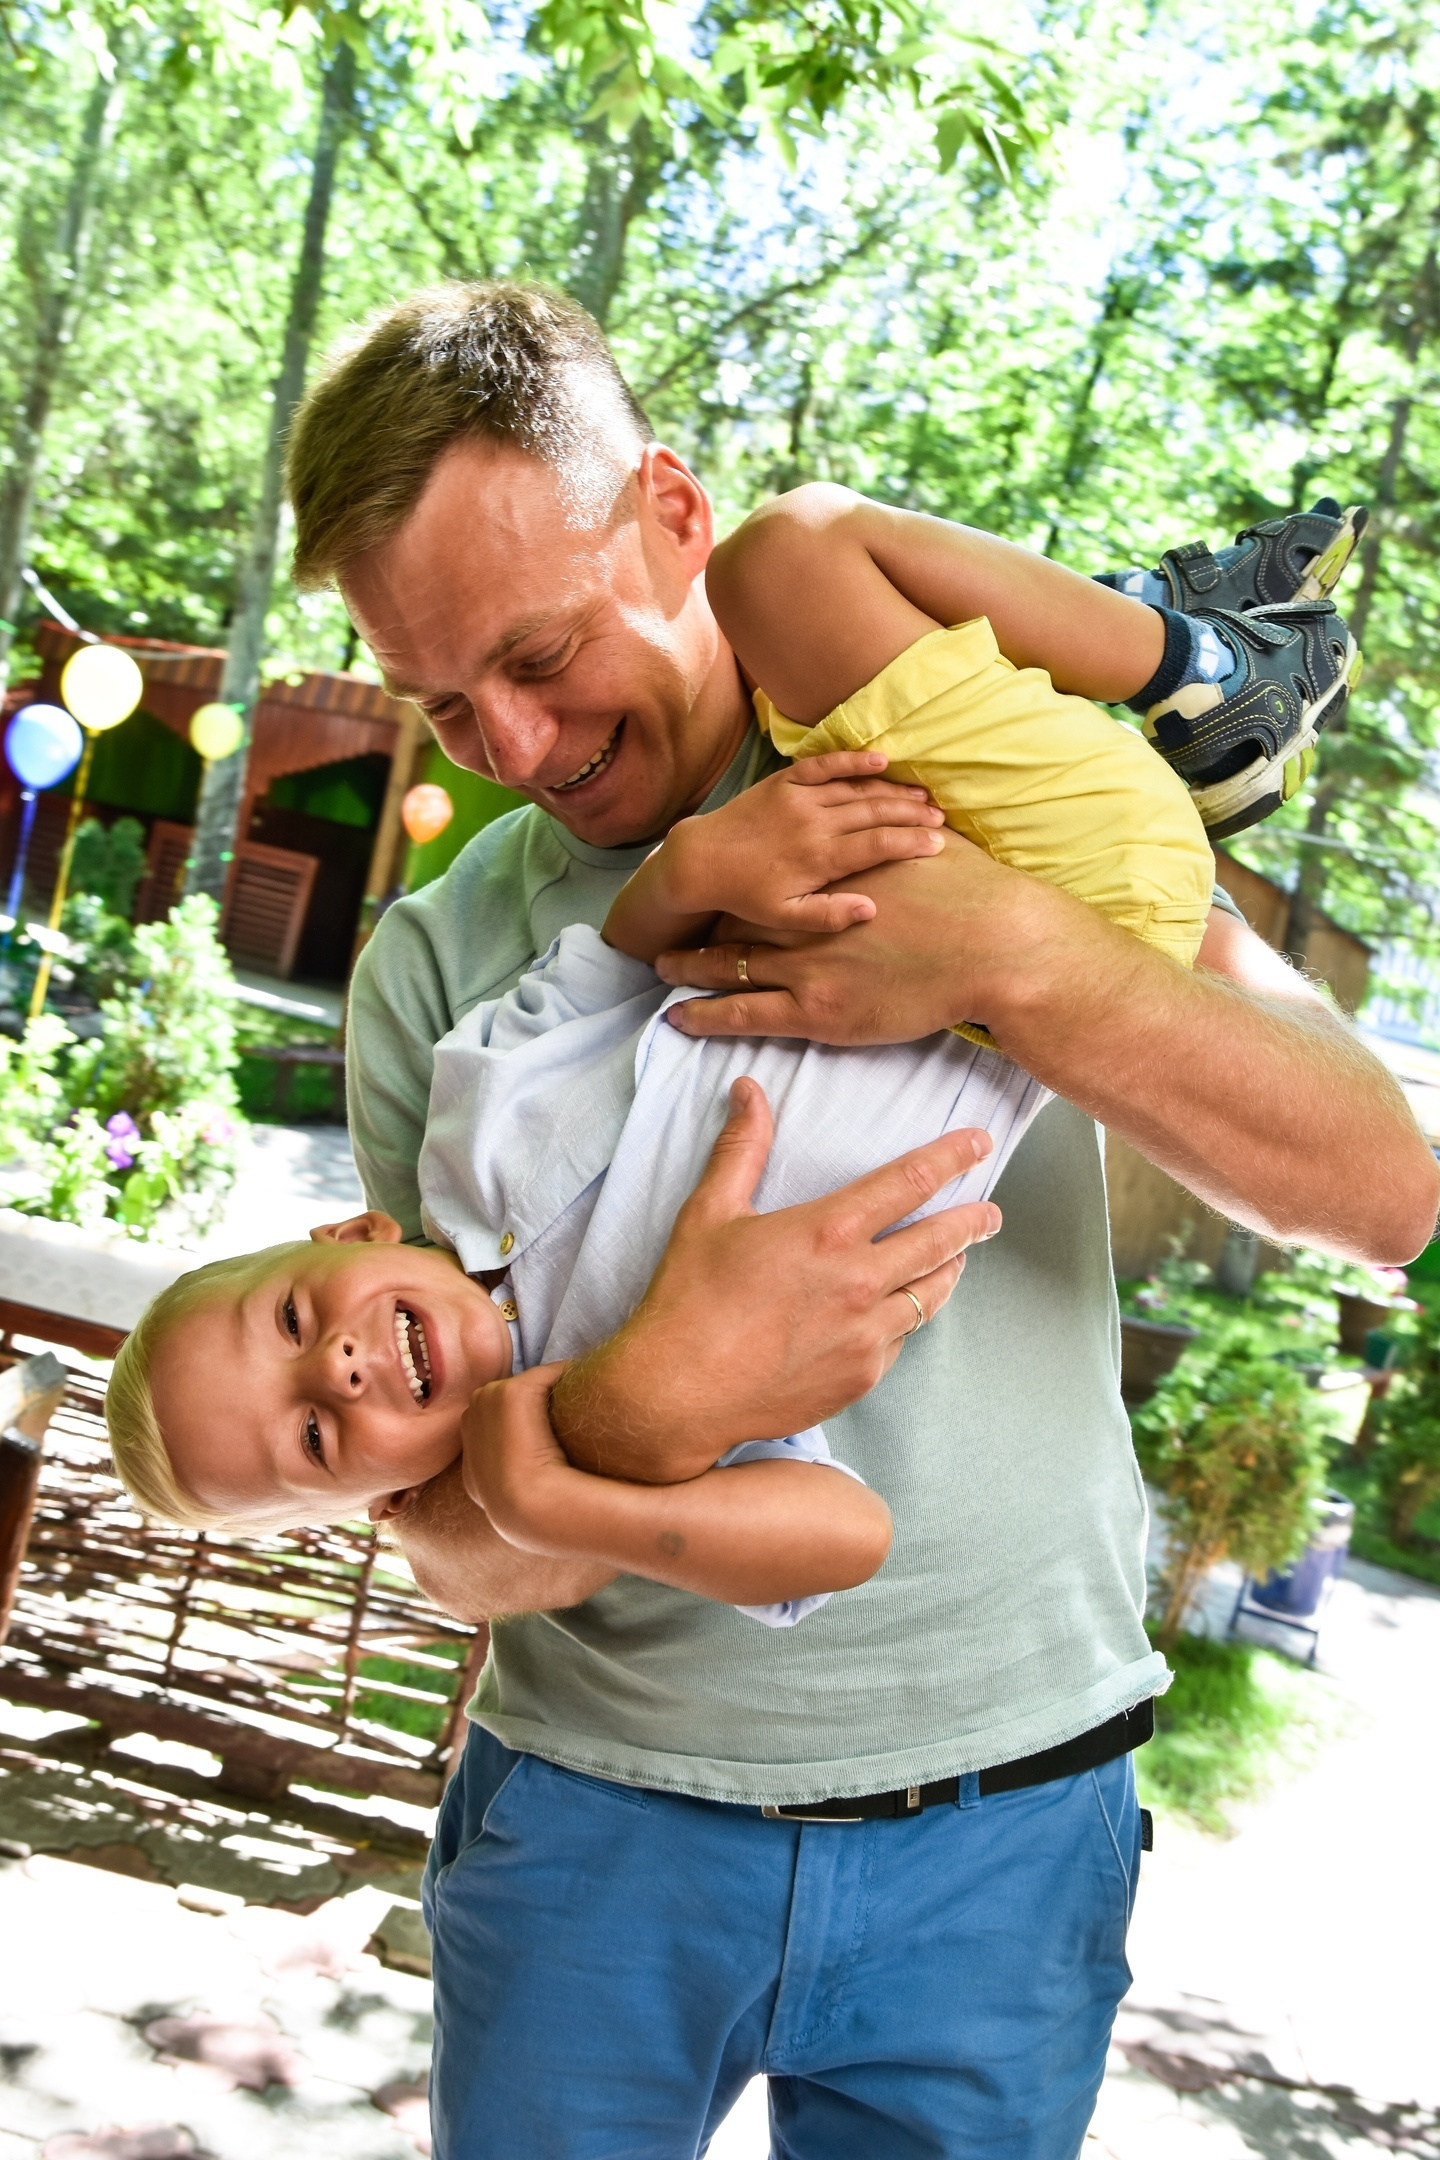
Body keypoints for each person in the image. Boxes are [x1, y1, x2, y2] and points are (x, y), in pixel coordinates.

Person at [274, 281, 1435, 2160]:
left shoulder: (953, 758)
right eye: (438, 699)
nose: (507, 738)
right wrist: (647, 1407)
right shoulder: (435, 968)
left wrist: (1012, 959)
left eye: (542, 651)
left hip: (1008, 1832)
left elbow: (1381, 1191)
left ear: (671, 516)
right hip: (590, 1826)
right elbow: (457, 1558)